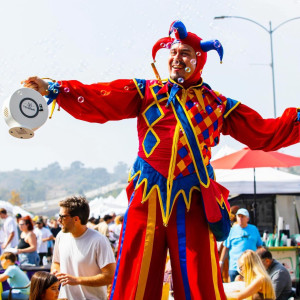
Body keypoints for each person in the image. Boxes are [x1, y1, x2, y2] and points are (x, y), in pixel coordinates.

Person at [22, 20, 300, 300]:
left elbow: (263, 131)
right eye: (174, 53)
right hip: (147, 195)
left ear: (199, 60)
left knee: (198, 280)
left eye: (185, 54)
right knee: (136, 277)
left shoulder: (218, 105)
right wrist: (54, 87)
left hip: (193, 199)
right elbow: (101, 97)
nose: (177, 59)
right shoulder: (147, 92)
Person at [51, 196, 116, 300]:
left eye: (62, 216)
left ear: (76, 219)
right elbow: (56, 263)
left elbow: (110, 276)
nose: (58, 220)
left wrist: (77, 280)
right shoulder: (60, 236)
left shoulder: (99, 241)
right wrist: (55, 272)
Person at [220, 208, 263, 282]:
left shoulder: (254, 229)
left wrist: (261, 262)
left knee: (250, 288)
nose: (240, 218)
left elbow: (259, 246)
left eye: (242, 216)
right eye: (238, 216)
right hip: (234, 266)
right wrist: (221, 262)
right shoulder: (232, 230)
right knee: (234, 288)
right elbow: (226, 247)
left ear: (247, 218)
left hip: (251, 265)